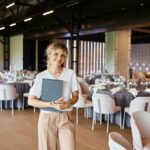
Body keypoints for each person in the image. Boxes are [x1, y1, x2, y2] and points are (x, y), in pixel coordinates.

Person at [28, 43, 79, 150]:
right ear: (49, 55)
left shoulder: (70, 74)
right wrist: (50, 104)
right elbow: (31, 101)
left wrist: (67, 104)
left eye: (63, 55)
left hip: (66, 116)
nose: (59, 58)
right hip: (47, 117)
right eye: (56, 54)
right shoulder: (41, 76)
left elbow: (75, 96)